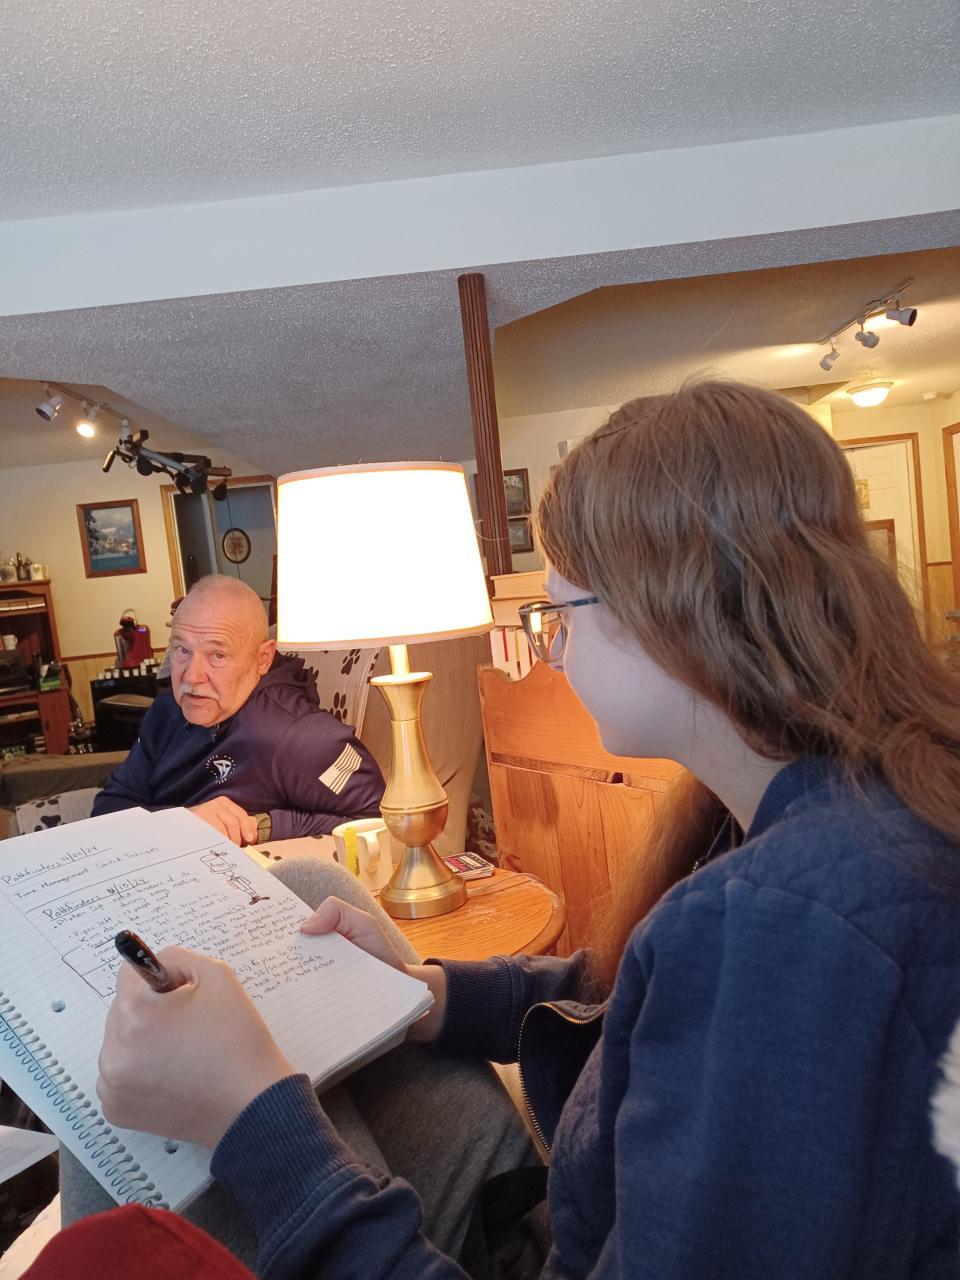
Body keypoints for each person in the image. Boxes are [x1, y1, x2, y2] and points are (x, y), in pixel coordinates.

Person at [78, 382, 960, 1277]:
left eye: (558, 613)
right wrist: (424, 993)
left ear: (674, 611)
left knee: (112, 1146)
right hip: (562, 1188)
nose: (554, 648)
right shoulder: (824, 804)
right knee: (311, 889)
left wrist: (250, 1117)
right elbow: (618, 1000)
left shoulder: (783, 932)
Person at [92, 575, 385, 843]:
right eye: (183, 650)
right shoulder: (167, 709)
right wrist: (183, 822)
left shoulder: (300, 738)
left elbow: (379, 820)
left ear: (263, 658)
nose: (191, 676)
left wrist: (262, 826)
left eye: (217, 655)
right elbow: (108, 808)